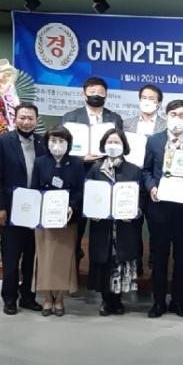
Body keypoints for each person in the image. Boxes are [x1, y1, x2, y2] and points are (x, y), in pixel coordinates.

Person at [142, 99, 183, 318]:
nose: (177, 119)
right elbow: (146, 171)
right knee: (159, 257)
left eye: (182, 115)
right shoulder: (154, 141)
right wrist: (151, 187)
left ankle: (179, 301)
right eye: (173, 114)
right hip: (159, 208)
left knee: (182, 257)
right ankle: (158, 301)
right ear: (166, 116)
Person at [61, 77, 124, 281]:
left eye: (101, 92)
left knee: (102, 233)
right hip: (77, 178)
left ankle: (100, 281)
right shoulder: (71, 117)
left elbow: (120, 147)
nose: (96, 95)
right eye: (92, 91)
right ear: (84, 94)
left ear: (106, 95)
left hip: (105, 180)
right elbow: (61, 148)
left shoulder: (115, 118)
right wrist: (82, 157)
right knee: (74, 231)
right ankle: (71, 278)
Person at [0, 103, 46, 315]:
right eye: (22, 117)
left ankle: (28, 297)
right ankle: (9, 298)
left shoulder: (43, 142)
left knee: (32, 256)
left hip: (36, 210)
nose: (26, 122)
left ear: (36, 120)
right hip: (11, 210)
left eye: (31, 118)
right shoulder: (1, 142)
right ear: (15, 118)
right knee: (11, 257)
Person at [30, 125, 85, 317]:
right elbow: (34, 188)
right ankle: (47, 298)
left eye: (61, 141)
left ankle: (60, 298)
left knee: (64, 259)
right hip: (44, 219)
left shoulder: (77, 163)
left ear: (68, 144)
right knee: (45, 258)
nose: (57, 144)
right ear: (47, 143)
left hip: (67, 220)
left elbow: (80, 190)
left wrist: (72, 205)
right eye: (53, 140)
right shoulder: (40, 162)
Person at [86, 128, 141, 316]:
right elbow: (88, 193)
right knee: (104, 260)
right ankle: (105, 300)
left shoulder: (133, 170)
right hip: (102, 225)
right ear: (103, 145)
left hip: (124, 226)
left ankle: (117, 300)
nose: (113, 145)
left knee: (120, 261)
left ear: (124, 146)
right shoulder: (95, 168)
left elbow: (141, 197)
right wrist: (91, 210)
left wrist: (135, 211)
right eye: (109, 142)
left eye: (117, 142)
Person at [123, 84, 166, 275]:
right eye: (144, 98)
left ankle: (155, 263)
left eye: (152, 98)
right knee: (132, 226)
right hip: (131, 181)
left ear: (159, 103)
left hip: (156, 183)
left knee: (157, 227)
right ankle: (136, 263)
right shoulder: (126, 124)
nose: (147, 102)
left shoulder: (166, 125)